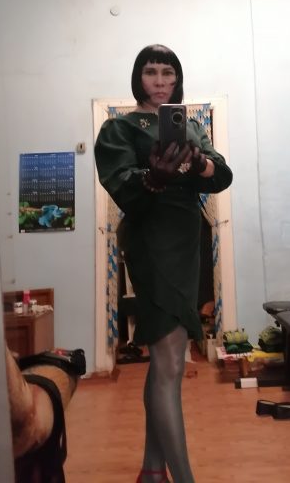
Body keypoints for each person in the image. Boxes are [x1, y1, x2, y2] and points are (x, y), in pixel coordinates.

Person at [94, 44, 233, 483]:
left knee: (163, 363)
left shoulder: (189, 125)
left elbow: (222, 175)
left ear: (177, 79)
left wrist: (199, 162)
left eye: (167, 73)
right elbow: (121, 185)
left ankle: (153, 469)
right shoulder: (118, 128)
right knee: (171, 362)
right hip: (151, 242)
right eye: (151, 72)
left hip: (186, 241)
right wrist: (153, 177)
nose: (159, 81)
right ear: (138, 77)